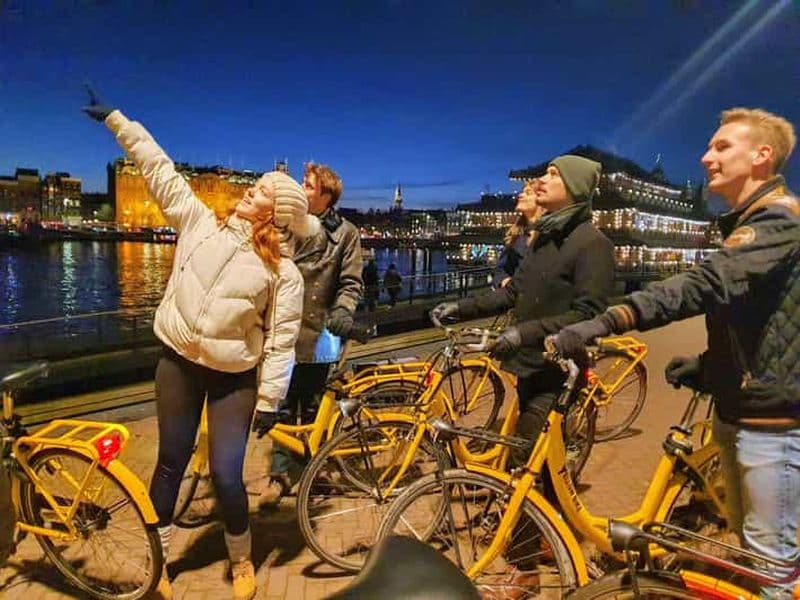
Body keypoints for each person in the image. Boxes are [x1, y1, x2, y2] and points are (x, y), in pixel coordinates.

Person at [549, 108, 798, 598]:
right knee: (752, 552)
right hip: (740, 411)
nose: (706, 156)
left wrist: (611, 319)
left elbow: (705, 284)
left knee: (772, 569)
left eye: (723, 146)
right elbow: (762, 321)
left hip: (773, 424)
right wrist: (709, 367)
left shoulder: (777, 219)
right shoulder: (748, 222)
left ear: (762, 156)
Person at [83, 93, 318, 600]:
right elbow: (160, 170)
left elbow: (280, 342)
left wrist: (272, 399)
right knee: (168, 464)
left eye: (257, 192)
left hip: (233, 378)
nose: (246, 193)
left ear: (274, 215)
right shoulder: (199, 225)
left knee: (226, 475)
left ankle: (240, 560)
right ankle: (159, 562)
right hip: (178, 366)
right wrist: (119, 122)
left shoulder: (284, 274)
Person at [431, 154, 614, 462]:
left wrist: (522, 332)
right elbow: (514, 292)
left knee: (523, 458)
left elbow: (588, 315)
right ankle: (541, 505)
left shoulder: (592, 243)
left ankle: (525, 507)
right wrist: (460, 308)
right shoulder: (544, 238)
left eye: (553, 174)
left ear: (575, 187)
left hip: (558, 371)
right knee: (539, 462)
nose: (542, 179)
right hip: (530, 364)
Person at [253, 162, 363, 505]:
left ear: (326, 195)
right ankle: (280, 476)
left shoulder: (346, 234)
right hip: (283, 331)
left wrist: (343, 311)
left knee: (317, 409)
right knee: (282, 405)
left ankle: (316, 471)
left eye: (309, 185)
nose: (302, 188)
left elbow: (349, 283)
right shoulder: (285, 224)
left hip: (320, 333)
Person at [492, 180, 545, 289]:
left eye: (528, 193)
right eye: (522, 192)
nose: (520, 195)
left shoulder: (548, 233)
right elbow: (501, 268)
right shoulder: (516, 234)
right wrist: (503, 280)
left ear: (540, 199)